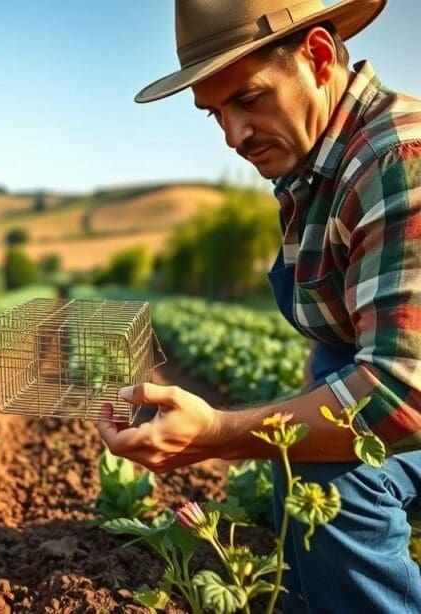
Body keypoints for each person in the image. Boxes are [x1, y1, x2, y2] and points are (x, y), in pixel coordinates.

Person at [95, 0, 421, 611]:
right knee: (304, 443)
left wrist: (216, 434)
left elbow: (402, 397)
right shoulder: (314, 162)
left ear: (319, 58)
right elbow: (341, 347)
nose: (233, 136)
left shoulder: (397, 162)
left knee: (330, 478)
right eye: (215, 112)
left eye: (248, 98)